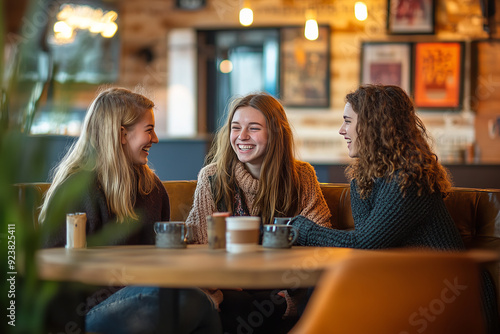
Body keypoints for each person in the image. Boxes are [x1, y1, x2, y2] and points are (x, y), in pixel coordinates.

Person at [289, 84, 499, 333]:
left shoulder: (409, 179)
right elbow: (367, 248)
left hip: (454, 297)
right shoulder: (373, 177)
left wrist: (305, 229)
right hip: (412, 289)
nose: (341, 130)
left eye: (347, 121)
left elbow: (365, 244)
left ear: (372, 126)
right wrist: (359, 179)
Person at [39, 87, 222, 334]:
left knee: (200, 299)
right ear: (122, 134)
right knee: (192, 300)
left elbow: (162, 261)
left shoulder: (152, 188)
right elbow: (53, 276)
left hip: (145, 296)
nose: (155, 139)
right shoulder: (76, 189)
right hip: (85, 314)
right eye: (149, 130)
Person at [185, 92, 332, 333]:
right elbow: (200, 244)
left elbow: (321, 240)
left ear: (275, 133)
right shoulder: (212, 177)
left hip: (283, 292)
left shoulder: (302, 176)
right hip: (229, 291)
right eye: (235, 128)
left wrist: (291, 294)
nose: (242, 137)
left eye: (253, 128)